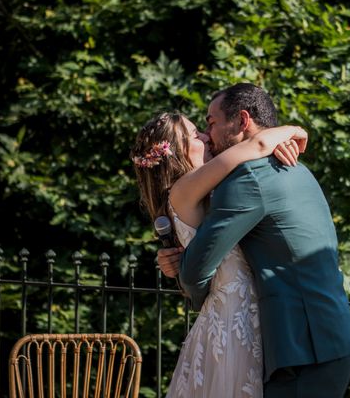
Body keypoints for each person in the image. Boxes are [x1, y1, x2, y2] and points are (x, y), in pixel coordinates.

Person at [159, 83, 350, 398]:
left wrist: (189, 280)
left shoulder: (248, 179)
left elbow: (196, 271)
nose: (207, 134)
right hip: (330, 337)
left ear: (241, 121)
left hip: (305, 349)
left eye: (211, 123)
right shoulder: (296, 168)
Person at [131, 110, 308, 398]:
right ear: (176, 152)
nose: (204, 136)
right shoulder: (186, 187)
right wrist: (294, 130)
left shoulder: (195, 191)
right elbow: (256, 146)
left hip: (232, 313)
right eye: (194, 135)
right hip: (234, 318)